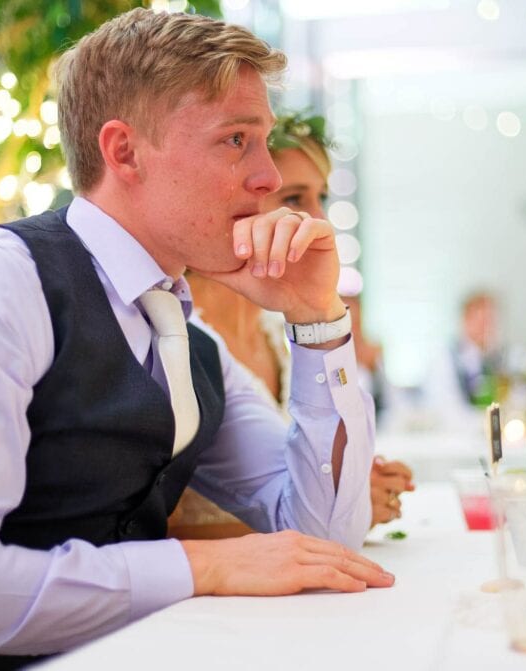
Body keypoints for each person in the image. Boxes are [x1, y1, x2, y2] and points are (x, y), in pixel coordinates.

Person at [0, 10, 392, 669]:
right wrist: (200, 565)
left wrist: (318, 321)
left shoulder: (193, 342)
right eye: (236, 141)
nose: (265, 178)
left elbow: (325, 537)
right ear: (124, 151)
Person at [176, 113, 413, 536]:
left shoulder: (279, 331)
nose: (320, 221)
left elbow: (298, 484)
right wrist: (344, 509)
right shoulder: (177, 333)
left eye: (322, 197)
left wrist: (347, 490)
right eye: (296, 199)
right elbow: (147, 525)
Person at [423, 291, 502, 429]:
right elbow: (447, 410)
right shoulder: (444, 359)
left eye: (490, 321)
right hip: (451, 439)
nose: (487, 328)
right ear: (466, 320)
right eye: (482, 321)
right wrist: (485, 423)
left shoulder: (493, 360)